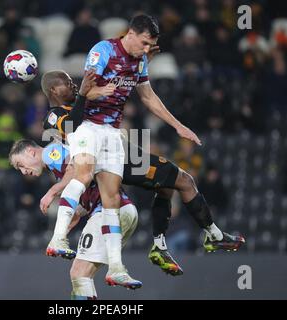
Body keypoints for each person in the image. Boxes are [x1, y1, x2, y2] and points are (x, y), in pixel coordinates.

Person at [45, 14, 203, 288]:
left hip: (113, 132)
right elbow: (86, 91)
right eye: (143, 43)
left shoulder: (140, 60)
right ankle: (57, 238)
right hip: (89, 127)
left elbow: (148, 97)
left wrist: (178, 126)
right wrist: (101, 90)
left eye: (149, 45)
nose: (145, 49)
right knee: (82, 176)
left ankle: (116, 267)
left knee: (112, 200)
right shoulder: (102, 50)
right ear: (130, 33)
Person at [39, 68, 246, 270]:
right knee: (184, 181)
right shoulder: (53, 115)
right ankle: (212, 235)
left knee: (169, 185)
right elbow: (71, 127)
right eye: (66, 83)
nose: (73, 85)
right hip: (115, 160)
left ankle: (162, 245)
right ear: (53, 91)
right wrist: (85, 93)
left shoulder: (82, 102)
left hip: (122, 151)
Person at [9, 139, 142, 294]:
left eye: (20, 165)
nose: (23, 171)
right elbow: (85, 188)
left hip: (109, 212)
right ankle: (116, 270)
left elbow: (76, 171)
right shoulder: (59, 170)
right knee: (82, 273)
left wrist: (52, 191)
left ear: (30, 152)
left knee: (79, 274)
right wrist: (73, 217)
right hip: (124, 211)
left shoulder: (52, 152)